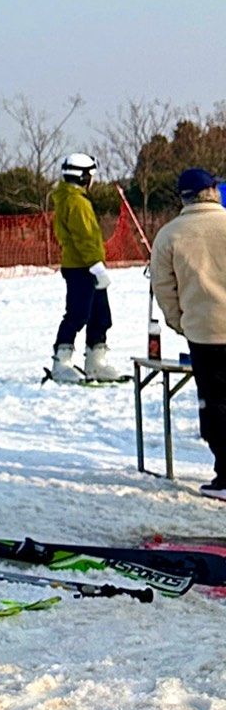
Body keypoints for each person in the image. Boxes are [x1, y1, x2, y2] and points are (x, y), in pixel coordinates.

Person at [149, 168, 226, 492]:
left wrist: (180, 322)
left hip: (204, 333)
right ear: (213, 191)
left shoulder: (170, 235)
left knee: (216, 405)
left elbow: (163, 288)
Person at [49, 149, 118, 383]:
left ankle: (96, 361)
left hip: (87, 264)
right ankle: (62, 362)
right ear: (82, 176)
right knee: (78, 313)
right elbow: (85, 237)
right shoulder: (76, 202)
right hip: (83, 267)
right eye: (90, 175)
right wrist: (96, 266)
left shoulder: (73, 199)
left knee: (100, 315)